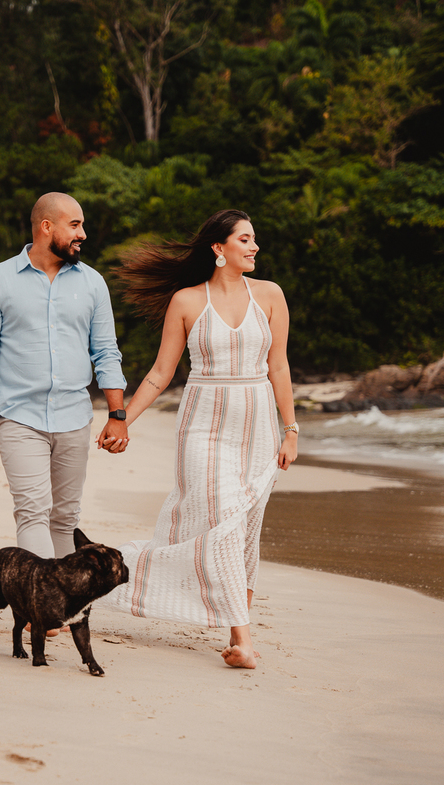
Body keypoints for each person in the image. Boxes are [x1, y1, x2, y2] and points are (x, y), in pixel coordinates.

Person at [100, 209, 299, 669]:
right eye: (245, 239)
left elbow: (279, 366)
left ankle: (230, 628)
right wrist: (121, 418)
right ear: (218, 247)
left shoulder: (270, 295)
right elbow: (160, 373)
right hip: (203, 427)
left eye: (254, 239)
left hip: (258, 429)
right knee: (225, 516)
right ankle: (243, 640)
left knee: (245, 527)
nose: (254, 246)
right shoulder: (187, 301)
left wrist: (290, 430)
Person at [0, 192, 129, 567]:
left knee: (65, 517)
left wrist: (117, 415)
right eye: (75, 225)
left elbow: (106, 352)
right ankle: (41, 597)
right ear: (46, 226)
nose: (83, 234)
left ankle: (60, 593)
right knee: (32, 511)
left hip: (74, 416)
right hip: (19, 416)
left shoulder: (93, 283)